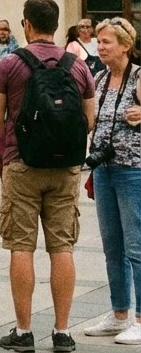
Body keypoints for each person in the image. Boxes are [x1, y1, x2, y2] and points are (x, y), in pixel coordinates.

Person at [0, 0, 95, 353]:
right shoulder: (77, 65)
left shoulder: (9, 64)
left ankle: (23, 331)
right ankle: (62, 332)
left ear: (26, 24)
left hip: (22, 164)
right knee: (61, 246)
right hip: (65, 166)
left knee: (21, 246)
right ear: (55, 24)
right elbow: (89, 119)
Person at [83, 18, 141, 343]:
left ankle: (140, 319)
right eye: (98, 41)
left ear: (125, 45)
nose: (99, 46)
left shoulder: (139, 77)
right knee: (112, 246)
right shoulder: (100, 78)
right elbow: (90, 119)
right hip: (103, 170)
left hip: (133, 169)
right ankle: (119, 313)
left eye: (106, 41)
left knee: (136, 246)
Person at [0, 20, 20, 86]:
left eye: (5, 29)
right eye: (0, 29)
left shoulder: (14, 46)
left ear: (9, 32)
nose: (3, 32)